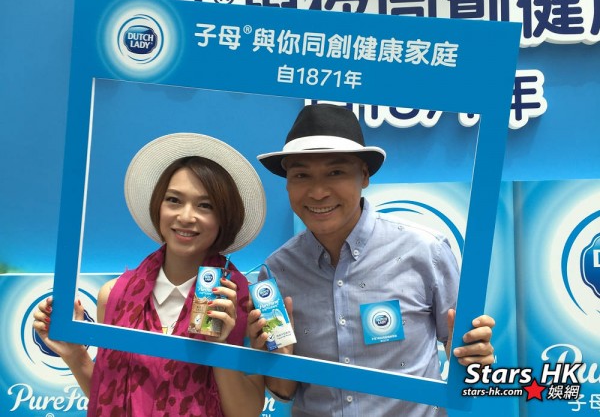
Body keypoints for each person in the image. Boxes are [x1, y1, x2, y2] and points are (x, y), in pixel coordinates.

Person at [249, 104, 496, 416]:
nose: (318, 192)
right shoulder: (276, 271)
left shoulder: (425, 250)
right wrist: (277, 358)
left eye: (335, 172)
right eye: (301, 175)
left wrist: (475, 355)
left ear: (364, 175)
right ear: (287, 183)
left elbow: (466, 355)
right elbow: (284, 391)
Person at [33, 133, 267, 417]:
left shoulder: (243, 303)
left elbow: (246, 412)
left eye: (205, 205)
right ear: (158, 206)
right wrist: (74, 355)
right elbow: (108, 395)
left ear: (224, 217)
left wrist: (219, 347)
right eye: (174, 200)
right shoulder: (115, 294)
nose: (186, 217)